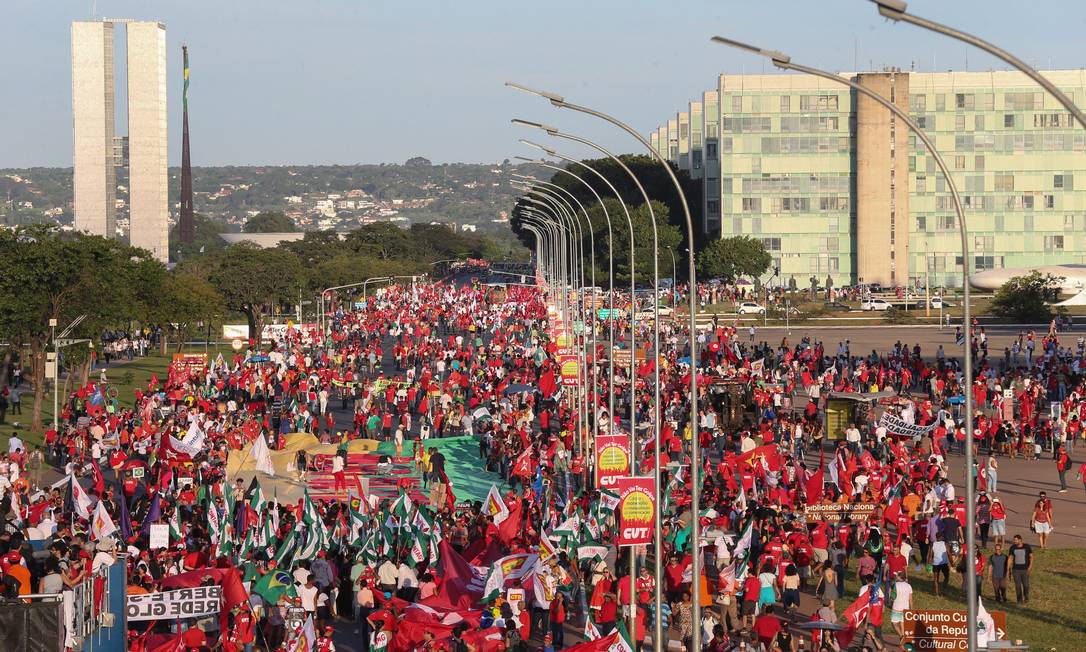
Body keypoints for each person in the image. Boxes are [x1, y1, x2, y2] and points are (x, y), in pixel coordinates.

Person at [1009, 534, 1033, 603]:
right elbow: (1010, 558)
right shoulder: (1012, 548)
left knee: (1026, 585)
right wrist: (1008, 569)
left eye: (1015, 540)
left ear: (1020, 540)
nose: (1014, 541)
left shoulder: (1027, 547)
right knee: (1017, 586)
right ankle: (1019, 600)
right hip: (1015, 570)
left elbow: (1031, 557)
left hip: (1025, 570)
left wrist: (1030, 567)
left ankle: (1026, 597)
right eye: (1014, 540)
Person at [889, 572, 912, 639]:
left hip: (896, 608)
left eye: (897, 576)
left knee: (894, 623)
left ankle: (901, 636)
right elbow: (910, 599)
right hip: (905, 608)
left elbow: (892, 597)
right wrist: (911, 609)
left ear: (899, 577)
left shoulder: (895, 585)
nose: (896, 577)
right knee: (902, 624)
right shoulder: (908, 586)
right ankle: (903, 640)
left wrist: (890, 591)